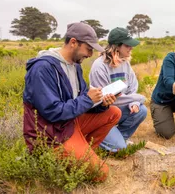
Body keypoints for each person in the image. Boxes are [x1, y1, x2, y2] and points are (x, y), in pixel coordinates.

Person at [23, 22, 122, 182]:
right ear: (73, 42)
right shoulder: (42, 69)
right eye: (89, 48)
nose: (90, 54)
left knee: (113, 113)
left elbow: (82, 102)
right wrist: (88, 99)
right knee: (101, 173)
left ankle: (80, 156)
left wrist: (102, 103)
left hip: (68, 124)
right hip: (50, 134)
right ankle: (61, 160)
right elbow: (52, 112)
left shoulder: (75, 67)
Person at [89, 27, 147, 152]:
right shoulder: (99, 66)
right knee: (119, 148)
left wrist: (134, 102)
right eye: (127, 45)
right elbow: (103, 100)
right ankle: (97, 138)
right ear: (116, 47)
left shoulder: (125, 63)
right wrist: (138, 98)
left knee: (141, 110)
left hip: (118, 109)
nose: (131, 48)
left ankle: (119, 139)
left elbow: (133, 87)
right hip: (103, 113)